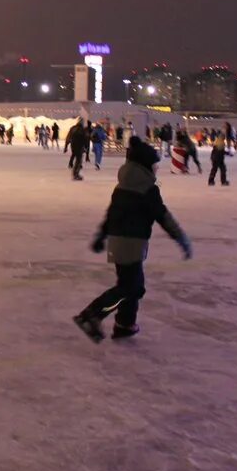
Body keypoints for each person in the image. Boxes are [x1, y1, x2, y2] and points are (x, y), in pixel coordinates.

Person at [74, 137, 192, 342]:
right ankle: (91, 315)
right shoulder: (148, 190)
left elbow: (111, 214)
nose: (156, 169)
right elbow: (163, 217)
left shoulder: (122, 187)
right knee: (131, 287)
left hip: (118, 242)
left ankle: (124, 324)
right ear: (146, 166)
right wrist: (180, 237)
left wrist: (101, 236)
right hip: (132, 244)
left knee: (132, 285)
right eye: (154, 165)